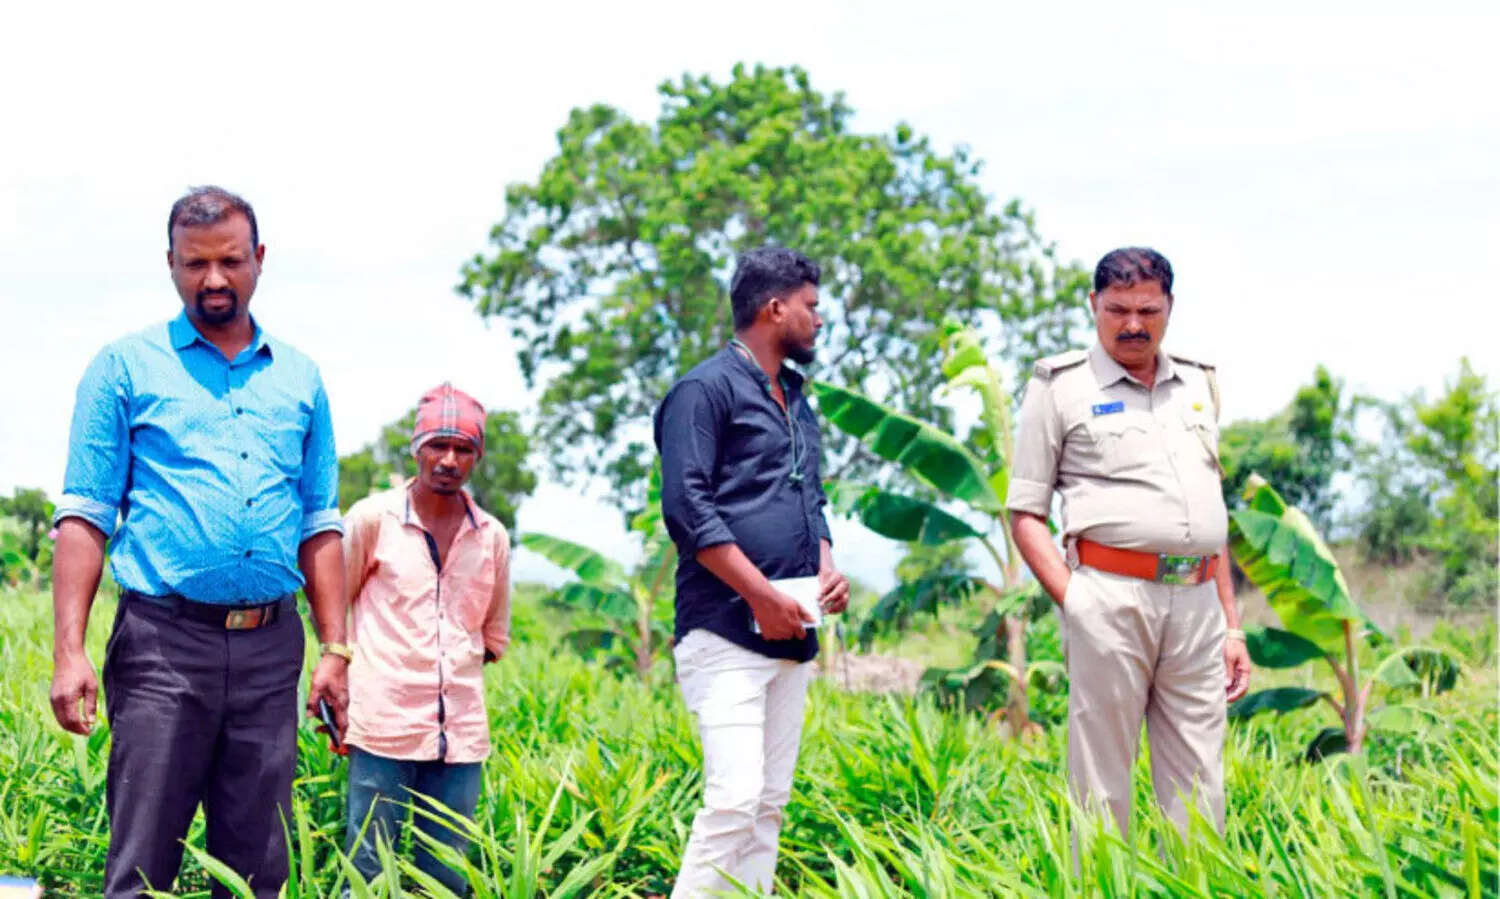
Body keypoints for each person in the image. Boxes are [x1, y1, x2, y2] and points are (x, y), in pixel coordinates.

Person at [48, 186, 350, 898]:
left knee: (257, 869)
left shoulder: (300, 378)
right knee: (143, 860)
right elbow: (86, 515)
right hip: (162, 644)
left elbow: (320, 521)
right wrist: (69, 651)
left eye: (230, 261)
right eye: (195, 264)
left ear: (259, 260)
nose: (213, 279)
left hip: (272, 649)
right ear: (171, 264)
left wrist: (336, 648)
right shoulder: (124, 368)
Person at [1007, 246, 1252, 841]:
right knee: (1101, 786)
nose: (1134, 324)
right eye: (1117, 310)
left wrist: (1232, 624)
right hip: (1110, 599)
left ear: (1170, 307)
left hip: (1198, 610)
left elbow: (1208, 512)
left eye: (1148, 309)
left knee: (1201, 785)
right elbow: (1024, 513)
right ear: (1094, 306)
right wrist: (1078, 602)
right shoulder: (1059, 386)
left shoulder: (1196, 382)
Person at [653, 246, 851, 898]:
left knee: (769, 805)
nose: (819, 320)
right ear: (775, 308)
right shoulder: (702, 391)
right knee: (734, 798)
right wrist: (760, 595)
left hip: (792, 628)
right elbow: (688, 508)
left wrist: (825, 569)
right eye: (811, 306)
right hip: (724, 629)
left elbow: (809, 501)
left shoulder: (797, 398)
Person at [339, 383, 512, 895]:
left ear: (476, 457)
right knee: (369, 868)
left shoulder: (492, 536)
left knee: (445, 872)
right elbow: (332, 608)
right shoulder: (373, 519)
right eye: (438, 445)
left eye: (463, 449)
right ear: (417, 448)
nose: (449, 460)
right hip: (382, 725)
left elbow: (492, 634)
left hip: (460, 734)